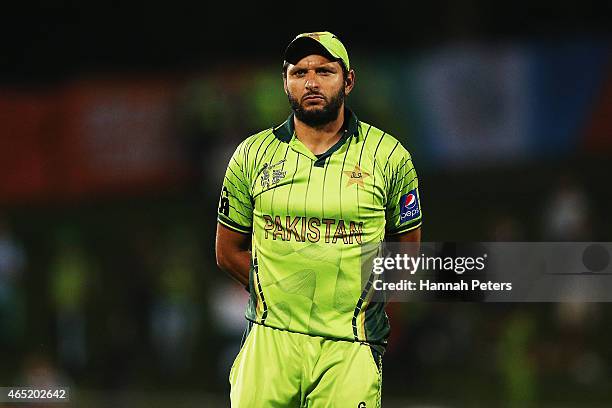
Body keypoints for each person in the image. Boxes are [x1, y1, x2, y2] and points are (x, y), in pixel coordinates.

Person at [216, 31, 422, 407]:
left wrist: (349, 303)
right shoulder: (250, 155)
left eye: (324, 71)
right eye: (299, 72)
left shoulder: (389, 157)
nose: (310, 82)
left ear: (349, 80)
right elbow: (227, 252)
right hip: (270, 343)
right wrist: (283, 295)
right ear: (285, 82)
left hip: (350, 348)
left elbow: (408, 257)